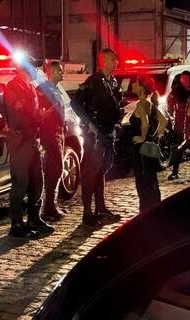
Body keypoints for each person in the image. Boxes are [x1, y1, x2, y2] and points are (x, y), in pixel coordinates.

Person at [71, 48, 123, 226]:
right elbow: (75, 102)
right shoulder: (94, 81)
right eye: (112, 59)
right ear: (103, 62)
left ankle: (100, 208)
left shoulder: (113, 81)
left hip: (109, 131)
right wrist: (90, 124)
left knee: (101, 171)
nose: (116, 62)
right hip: (95, 133)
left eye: (115, 59)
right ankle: (87, 213)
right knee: (91, 172)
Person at [4, 56, 54, 238]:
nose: (36, 70)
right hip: (20, 141)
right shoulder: (13, 87)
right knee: (21, 183)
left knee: (36, 181)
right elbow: (18, 115)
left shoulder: (30, 87)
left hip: (32, 140)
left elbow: (30, 112)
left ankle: (34, 218)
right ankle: (16, 225)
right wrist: (37, 116)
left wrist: (39, 116)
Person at [130, 75, 167, 212]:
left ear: (141, 88)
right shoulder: (151, 104)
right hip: (150, 148)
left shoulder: (141, 104)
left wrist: (143, 137)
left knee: (143, 183)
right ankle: (154, 210)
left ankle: (145, 213)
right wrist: (154, 136)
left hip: (141, 150)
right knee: (152, 181)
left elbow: (145, 123)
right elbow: (163, 122)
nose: (133, 85)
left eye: (135, 83)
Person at [37, 61, 66, 222]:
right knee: (54, 170)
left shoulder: (55, 89)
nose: (63, 73)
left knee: (56, 170)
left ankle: (51, 206)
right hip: (49, 134)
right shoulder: (42, 89)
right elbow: (39, 112)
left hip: (58, 132)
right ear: (52, 71)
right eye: (60, 71)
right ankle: (48, 208)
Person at [167, 70, 190, 180]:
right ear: (181, 79)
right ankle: (175, 172)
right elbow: (169, 103)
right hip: (179, 123)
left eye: (188, 78)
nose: (186, 81)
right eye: (184, 79)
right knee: (177, 149)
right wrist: (171, 115)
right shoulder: (176, 91)